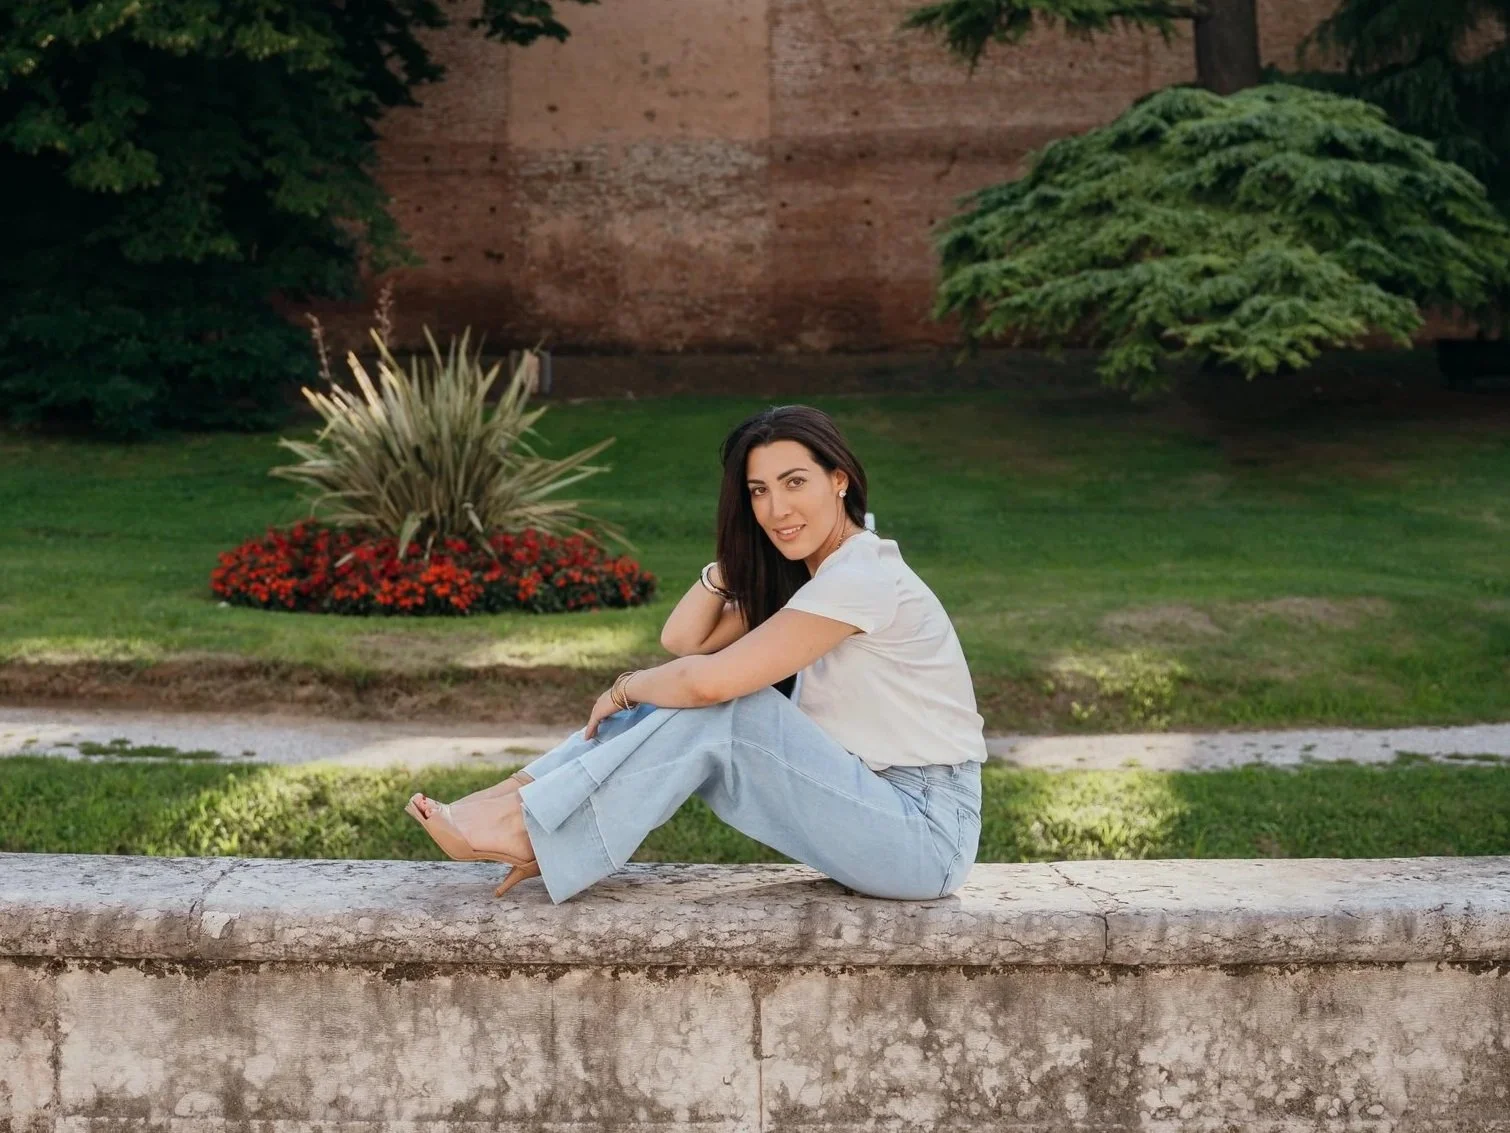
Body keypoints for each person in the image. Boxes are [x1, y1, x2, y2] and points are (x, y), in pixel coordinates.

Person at [405, 404, 987, 902]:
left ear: (840, 480)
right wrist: (736, 560)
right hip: (878, 806)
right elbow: (684, 640)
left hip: (926, 832)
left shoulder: (861, 577)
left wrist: (625, 687)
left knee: (728, 705)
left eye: (795, 483)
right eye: (759, 492)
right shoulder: (821, 578)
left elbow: (706, 682)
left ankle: (530, 826)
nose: (778, 509)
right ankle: (516, 802)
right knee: (693, 689)